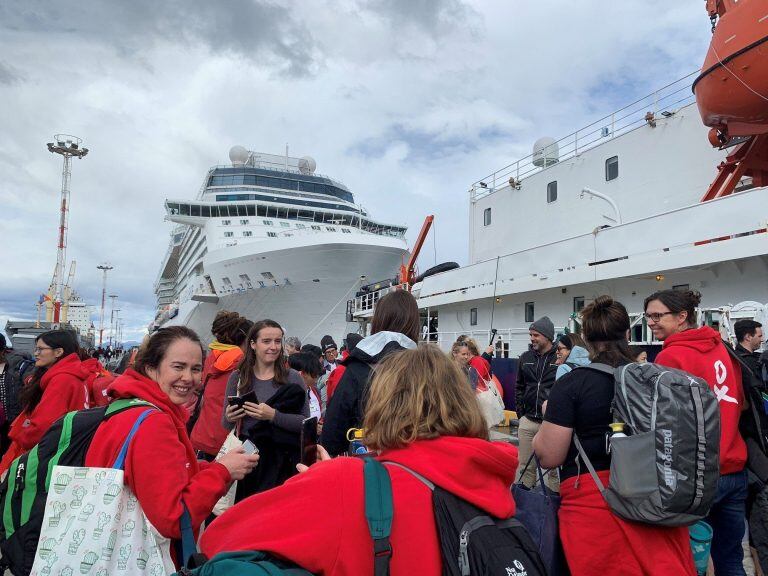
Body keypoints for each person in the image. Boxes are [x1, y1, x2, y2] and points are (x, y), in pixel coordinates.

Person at [199, 345, 519, 576]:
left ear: (384, 403)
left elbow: (220, 538)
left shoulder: (348, 480)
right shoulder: (495, 481)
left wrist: (326, 483)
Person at [533, 296, 696, 575]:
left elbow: (550, 456)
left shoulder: (572, 383)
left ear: (585, 337)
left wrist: (545, 425)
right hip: (656, 501)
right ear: (628, 334)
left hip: (595, 507)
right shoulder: (657, 377)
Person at [83, 326, 258, 554]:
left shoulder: (128, 404)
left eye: (196, 369)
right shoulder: (155, 423)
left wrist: (214, 467)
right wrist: (222, 472)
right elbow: (174, 519)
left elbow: (156, 476)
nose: (188, 378)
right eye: (178, 367)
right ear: (151, 368)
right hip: (142, 556)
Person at [645, 289, 747, 574]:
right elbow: (740, 401)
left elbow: (664, 424)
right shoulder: (722, 348)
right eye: (648, 316)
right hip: (735, 468)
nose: (651, 322)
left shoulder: (671, 358)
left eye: (658, 316)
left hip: (697, 477)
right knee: (731, 559)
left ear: (682, 317)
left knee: (688, 561)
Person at [322, 290, 420, 457]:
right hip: (418, 471)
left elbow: (332, 436)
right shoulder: (431, 370)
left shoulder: (357, 368)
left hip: (368, 469)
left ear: (378, 321)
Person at [223, 319, 309, 499]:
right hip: (248, 458)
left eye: (278, 341)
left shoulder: (293, 377)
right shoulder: (238, 377)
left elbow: (305, 423)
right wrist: (230, 416)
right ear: (253, 344)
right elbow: (225, 425)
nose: (274, 347)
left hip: (283, 460)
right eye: (267, 341)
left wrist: (273, 415)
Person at [0, 330, 91, 476]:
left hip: (42, 457)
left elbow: (43, 427)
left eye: (40, 349)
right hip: (64, 451)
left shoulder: (61, 380)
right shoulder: (75, 375)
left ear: (58, 352)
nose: (36, 353)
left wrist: (22, 437)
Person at [190, 311, 254, 460]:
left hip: (203, 436)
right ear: (246, 340)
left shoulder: (211, 358)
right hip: (229, 442)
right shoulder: (242, 365)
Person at [514, 316, 558, 489]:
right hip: (528, 421)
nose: (532, 338)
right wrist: (521, 413)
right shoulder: (525, 358)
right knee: (525, 466)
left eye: (536, 335)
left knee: (554, 469)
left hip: (551, 423)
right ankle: (526, 500)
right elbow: (519, 386)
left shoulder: (559, 358)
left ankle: (555, 499)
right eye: (531, 335)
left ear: (547, 336)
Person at [0, 334, 32, 456]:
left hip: (15, 420)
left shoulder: (19, 364)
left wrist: (30, 380)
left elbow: (31, 377)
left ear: (3, 351)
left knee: (12, 454)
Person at [325, 333, 363, 402]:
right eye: (328, 352)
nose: (331, 354)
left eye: (333, 351)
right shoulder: (340, 369)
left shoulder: (341, 364)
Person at [288, 351, 323, 420]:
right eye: (314, 373)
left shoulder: (315, 391)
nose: (316, 377)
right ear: (302, 374)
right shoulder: (289, 396)